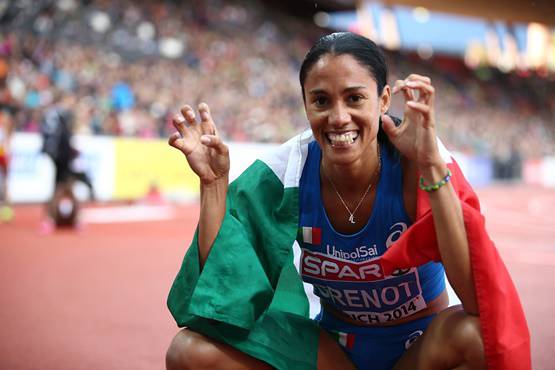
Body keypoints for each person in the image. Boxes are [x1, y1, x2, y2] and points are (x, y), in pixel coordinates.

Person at [165, 32, 530, 370]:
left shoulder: (421, 158)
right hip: (335, 354)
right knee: (189, 351)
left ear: (384, 100)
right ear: (305, 104)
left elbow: (476, 297)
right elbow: (223, 294)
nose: (339, 118)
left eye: (355, 98)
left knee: (481, 337)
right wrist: (213, 184)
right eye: (321, 101)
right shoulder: (285, 172)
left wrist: (432, 167)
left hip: (421, 351)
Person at [0, 108, 14, 222]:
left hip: (3, 161)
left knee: (5, 186)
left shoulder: (6, 132)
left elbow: (7, 148)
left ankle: (6, 211)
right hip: (3, 160)